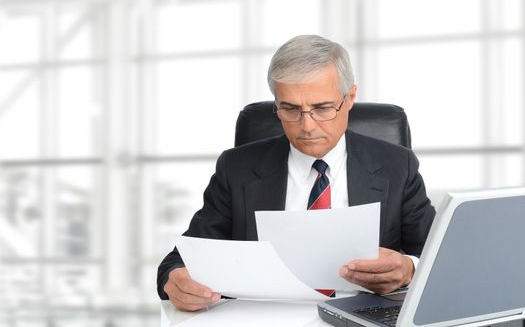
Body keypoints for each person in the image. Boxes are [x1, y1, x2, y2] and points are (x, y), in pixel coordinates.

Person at [157, 35, 435, 312]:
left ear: (349, 98)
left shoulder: (398, 165)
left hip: (360, 316)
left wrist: (409, 269)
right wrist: (175, 281)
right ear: (276, 104)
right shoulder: (236, 169)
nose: (307, 126)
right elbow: (179, 261)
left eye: (322, 108)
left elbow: (440, 258)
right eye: (290, 109)